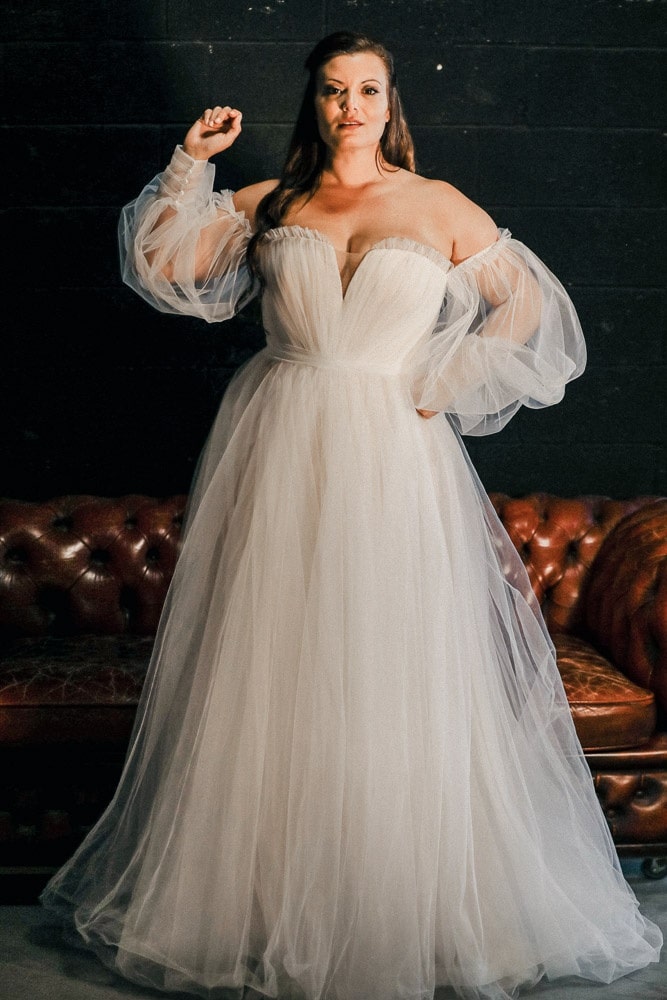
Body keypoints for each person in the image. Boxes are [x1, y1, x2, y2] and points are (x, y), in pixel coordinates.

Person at [40, 30, 661, 1000]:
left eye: (367, 89)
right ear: (316, 104)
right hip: (278, 454)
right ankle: (263, 902)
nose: (350, 107)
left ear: (389, 101)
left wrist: (439, 377)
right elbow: (167, 260)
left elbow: (532, 312)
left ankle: (398, 901)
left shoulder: (435, 204)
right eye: (333, 91)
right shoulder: (277, 203)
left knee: (387, 666)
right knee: (278, 671)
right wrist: (190, 162)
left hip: (391, 460)